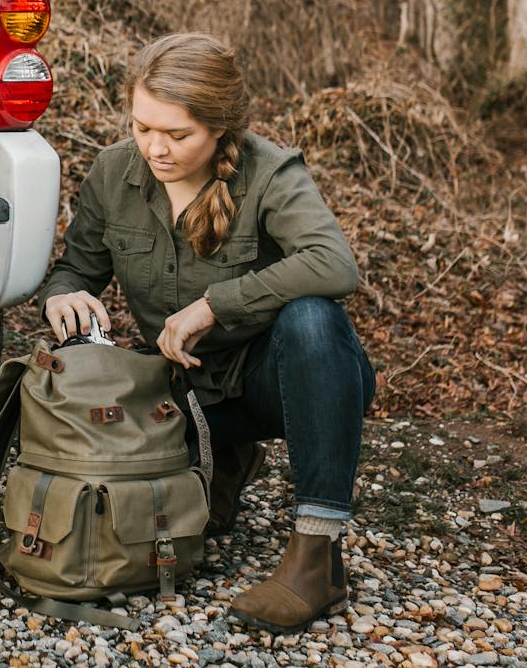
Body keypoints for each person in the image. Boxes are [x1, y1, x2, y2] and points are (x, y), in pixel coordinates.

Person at [37, 32, 375, 633]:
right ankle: (221, 464)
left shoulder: (269, 172)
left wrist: (214, 306)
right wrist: (65, 295)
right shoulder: (115, 172)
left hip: (275, 384)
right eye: (143, 128)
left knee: (315, 319)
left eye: (177, 134)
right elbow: (74, 267)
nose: (155, 149)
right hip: (179, 392)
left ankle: (318, 556)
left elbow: (334, 263)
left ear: (220, 127)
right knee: (142, 521)